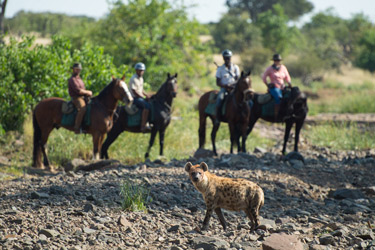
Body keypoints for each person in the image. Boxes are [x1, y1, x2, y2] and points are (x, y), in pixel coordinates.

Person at [262, 54, 292, 122]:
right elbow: (264, 77)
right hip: (274, 87)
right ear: (274, 61)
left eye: (278, 60)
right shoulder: (270, 68)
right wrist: (268, 84)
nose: (277, 62)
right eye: (276, 60)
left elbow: (287, 77)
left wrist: (289, 83)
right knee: (279, 98)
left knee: (290, 97)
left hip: (283, 87)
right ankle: (277, 115)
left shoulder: (283, 68)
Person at [215, 49, 240, 124]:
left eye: (228, 57)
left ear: (231, 58)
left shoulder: (235, 67)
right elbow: (218, 82)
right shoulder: (220, 69)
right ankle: (218, 117)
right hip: (224, 88)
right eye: (225, 57)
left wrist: (233, 85)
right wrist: (225, 86)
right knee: (220, 99)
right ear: (223, 58)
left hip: (234, 88)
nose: (227, 59)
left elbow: (238, 79)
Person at [68, 63, 92, 134]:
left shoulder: (79, 79)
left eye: (79, 70)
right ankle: (77, 128)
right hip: (76, 98)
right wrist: (88, 92)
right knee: (82, 108)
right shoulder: (72, 79)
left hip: (83, 97)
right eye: (76, 69)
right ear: (73, 70)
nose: (77, 71)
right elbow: (78, 90)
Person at [129, 62, 151, 132]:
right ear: (136, 70)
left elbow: (141, 89)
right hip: (134, 98)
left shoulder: (141, 78)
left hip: (139, 97)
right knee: (146, 106)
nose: (141, 72)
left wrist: (146, 95)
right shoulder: (134, 78)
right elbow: (134, 91)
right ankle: (143, 126)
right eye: (139, 70)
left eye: (142, 70)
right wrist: (143, 97)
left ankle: (148, 122)